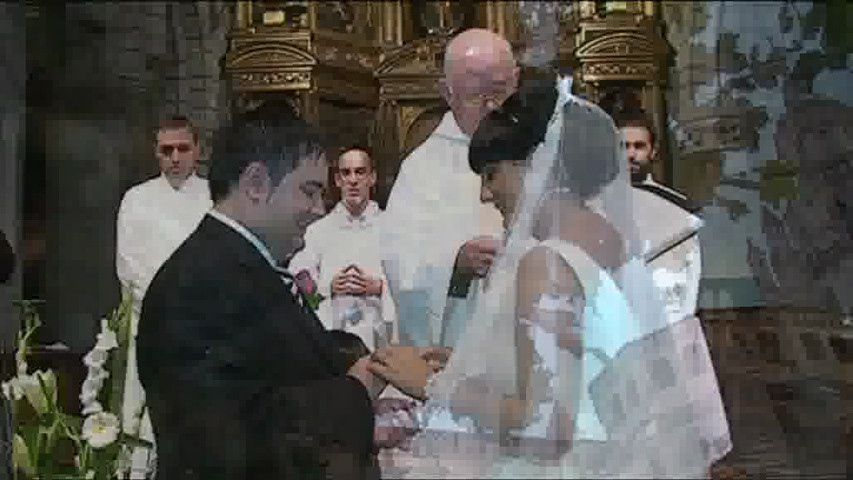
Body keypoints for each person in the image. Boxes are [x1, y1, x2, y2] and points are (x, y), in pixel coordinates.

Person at [371, 69, 731, 478]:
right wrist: (465, 365)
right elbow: (582, 367)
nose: (486, 194)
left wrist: (432, 386)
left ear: (535, 163)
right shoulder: (607, 241)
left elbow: (544, 430)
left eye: (492, 174)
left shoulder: (546, 261)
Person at [137, 106, 394, 479]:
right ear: (256, 183)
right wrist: (356, 390)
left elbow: (278, 356)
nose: (318, 209)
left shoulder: (236, 264)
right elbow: (234, 436)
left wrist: (372, 361)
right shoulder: (198, 282)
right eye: (309, 191)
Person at [381, 28, 515, 349]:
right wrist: (455, 263)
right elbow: (400, 263)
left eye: (499, 92)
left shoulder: (540, 149)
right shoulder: (422, 168)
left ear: (516, 80)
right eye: (474, 96)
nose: (490, 107)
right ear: (447, 92)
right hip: (461, 340)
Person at [115, 115, 212, 477]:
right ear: (155, 153)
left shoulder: (213, 197)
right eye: (166, 150)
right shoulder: (136, 199)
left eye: (182, 149)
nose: (174, 157)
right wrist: (165, 307)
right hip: (151, 324)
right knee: (143, 415)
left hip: (203, 328)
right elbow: (128, 265)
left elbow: (219, 261)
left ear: (197, 150)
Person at [290, 147, 398, 350]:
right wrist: (326, 289)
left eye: (360, 172)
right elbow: (299, 279)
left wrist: (380, 288)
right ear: (338, 180)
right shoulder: (317, 231)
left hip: (382, 337)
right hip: (333, 340)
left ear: (372, 178)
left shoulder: (393, 227)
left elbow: (411, 283)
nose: (353, 180)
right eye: (346, 173)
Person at [617, 109, 697, 212]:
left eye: (639, 146)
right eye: (624, 146)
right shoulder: (597, 206)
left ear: (653, 151)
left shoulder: (676, 205)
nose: (631, 154)